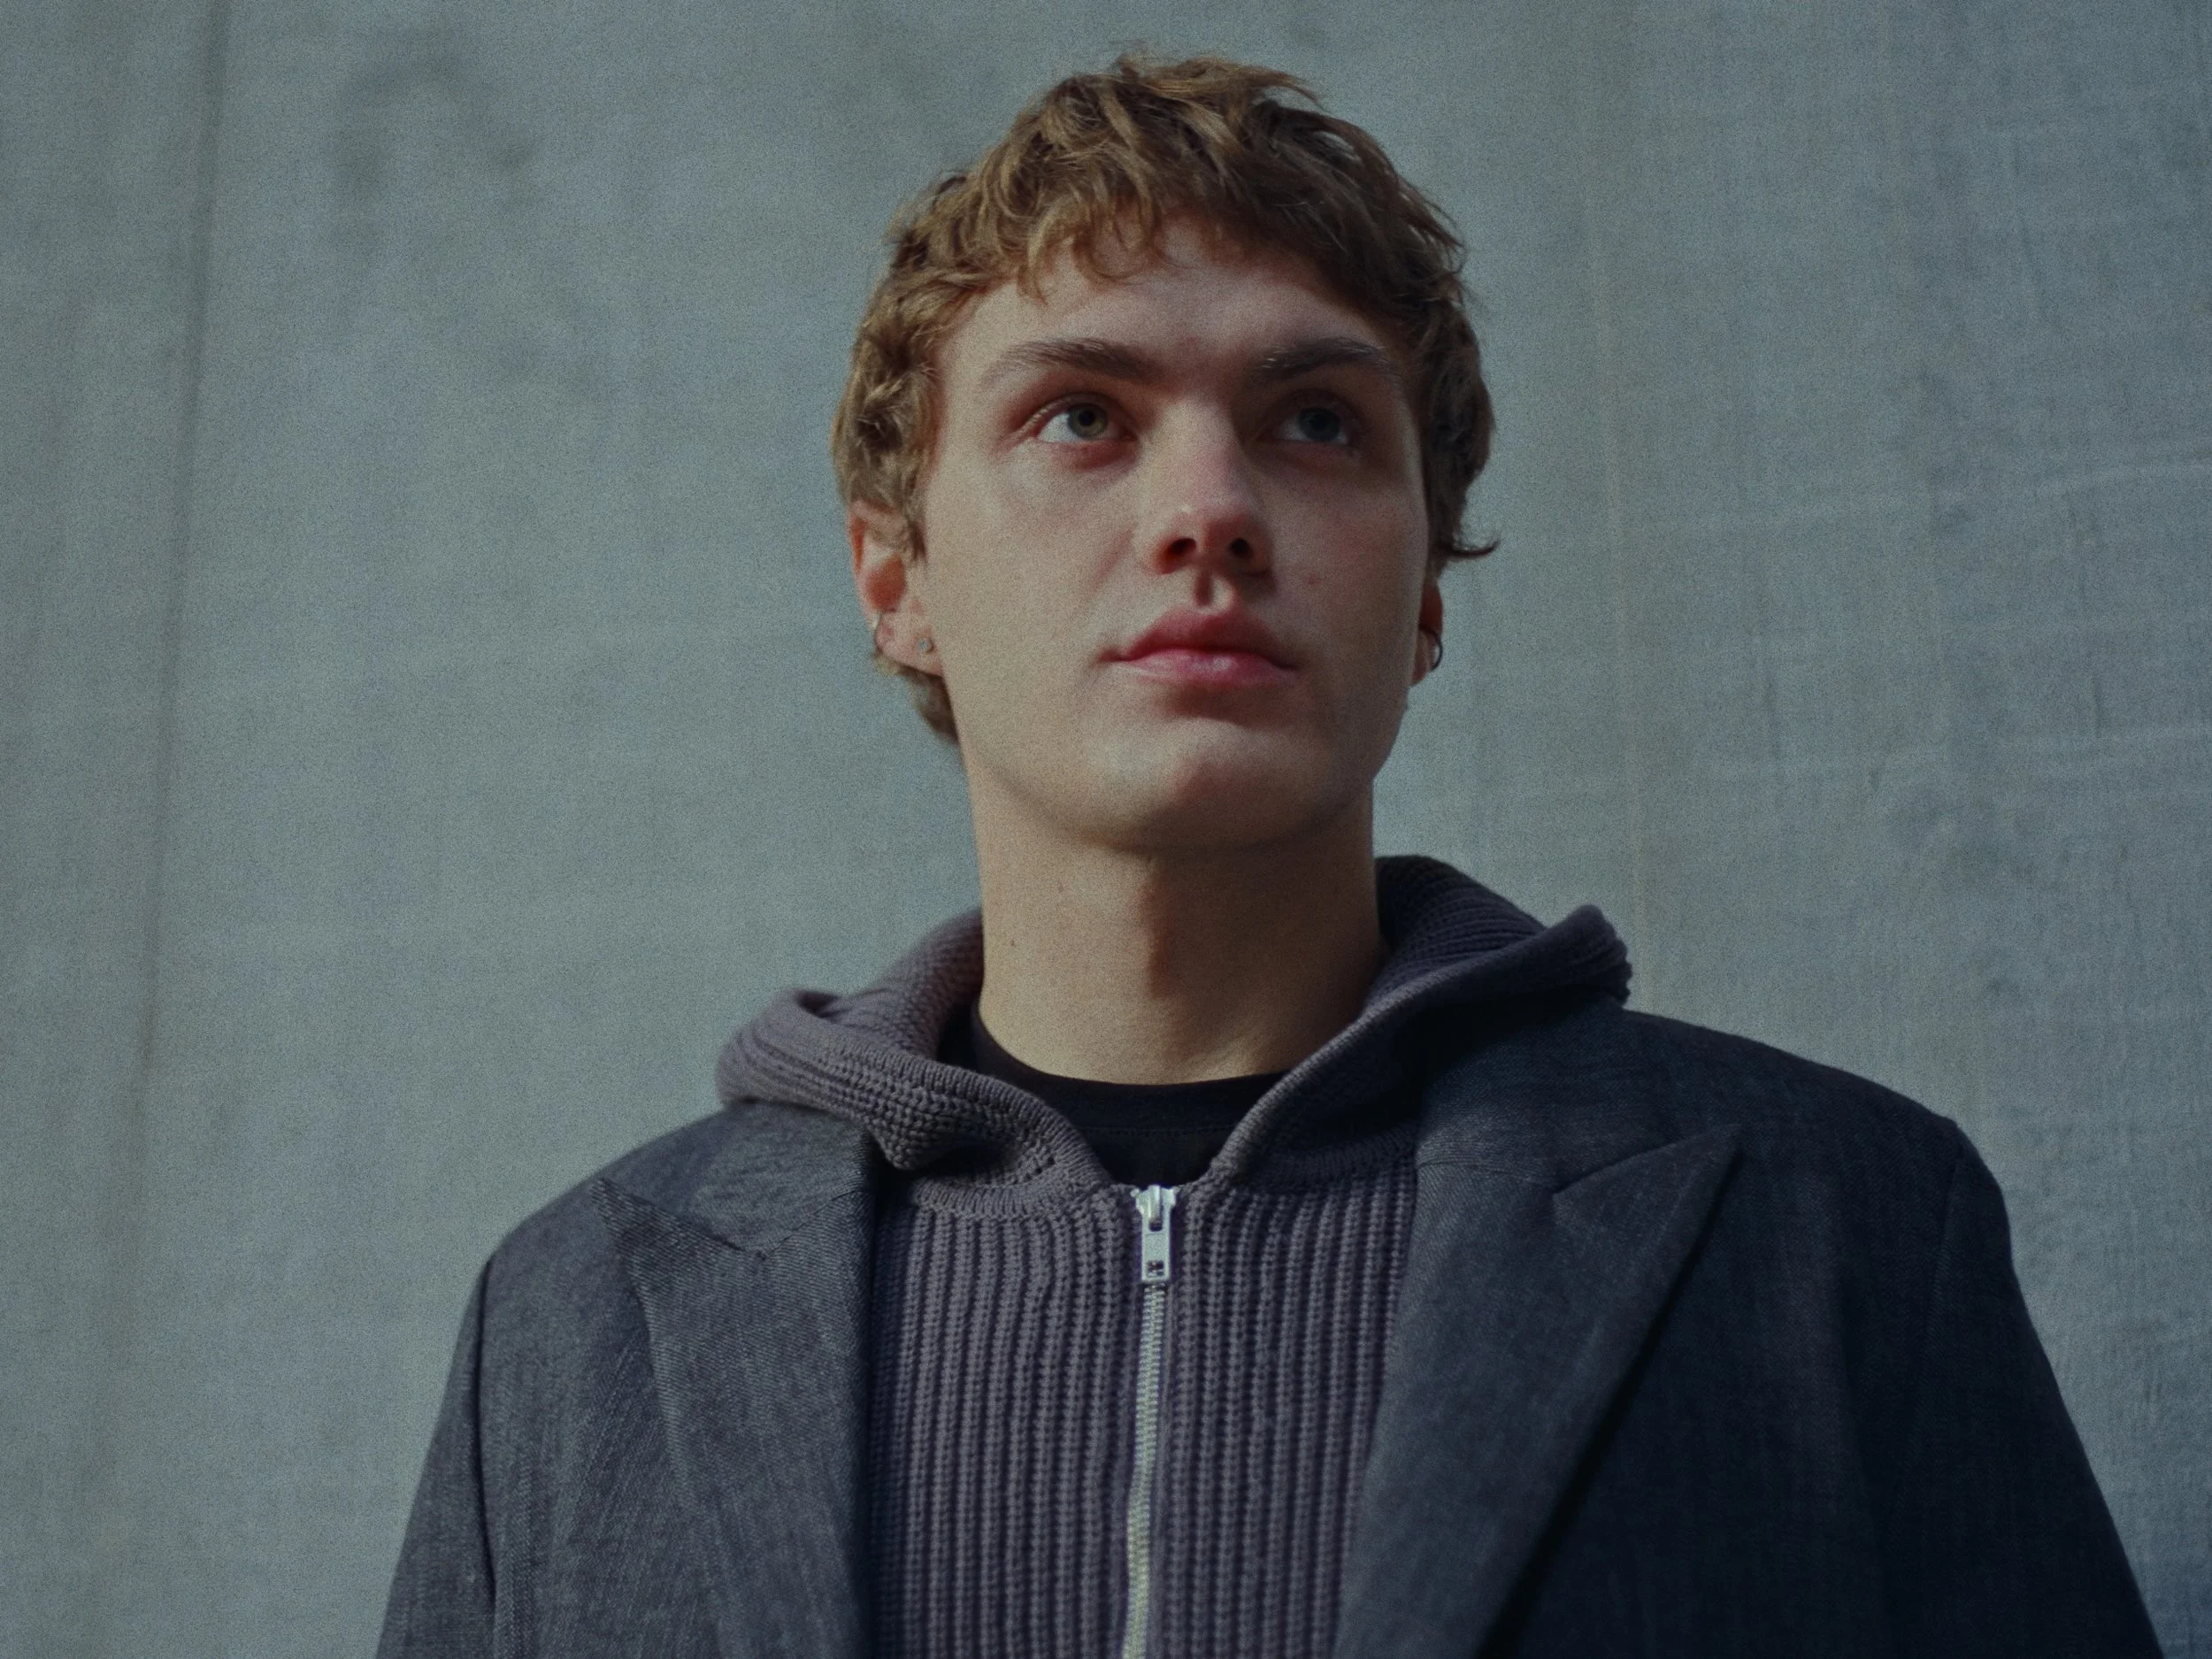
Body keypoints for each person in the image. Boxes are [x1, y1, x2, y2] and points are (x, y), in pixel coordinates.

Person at [378, 56, 2160, 1659]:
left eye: (1314, 420)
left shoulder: (1832, 1227)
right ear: (894, 579)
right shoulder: (579, 1314)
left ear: (1426, 591)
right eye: (1079, 414)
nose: (1206, 508)